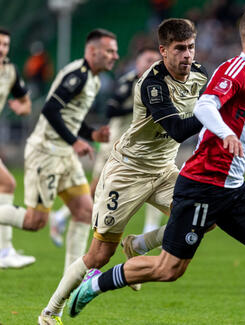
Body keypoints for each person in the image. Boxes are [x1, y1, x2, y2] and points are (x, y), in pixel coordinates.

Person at [68, 8, 245, 325]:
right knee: (169, 269)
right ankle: (95, 283)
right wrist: (224, 132)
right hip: (202, 186)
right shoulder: (233, 72)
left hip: (234, 189)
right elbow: (207, 104)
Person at [39, 18, 209, 324]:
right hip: (127, 173)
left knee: (204, 216)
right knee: (99, 257)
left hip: (163, 170)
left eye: (191, 47)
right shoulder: (151, 84)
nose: (187, 55)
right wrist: (216, 110)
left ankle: (139, 244)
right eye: (180, 48)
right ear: (163, 51)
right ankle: (50, 312)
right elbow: (178, 130)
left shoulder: (199, 75)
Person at [0, 28, 117, 274]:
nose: (114, 56)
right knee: (35, 222)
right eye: (109, 51)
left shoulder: (94, 79)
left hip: (64, 153)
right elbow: (50, 109)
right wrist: (75, 141)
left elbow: (70, 116)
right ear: (93, 51)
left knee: (85, 211)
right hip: (47, 151)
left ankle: (73, 277)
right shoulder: (78, 75)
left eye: (115, 52)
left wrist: (91, 134)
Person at [48, 46, 163, 247]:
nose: (151, 63)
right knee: (99, 187)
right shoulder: (128, 83)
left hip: (142, 145)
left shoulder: (160, 84)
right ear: (137, 63)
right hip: (116, 144)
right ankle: (62, 216)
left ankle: (149, 229)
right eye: (147, 59)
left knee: (157, 178)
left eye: (155, 60)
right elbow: (110, 110)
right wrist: (140, 108)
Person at [0, 27, 34, 269]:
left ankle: (4, 250)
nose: (2, 49)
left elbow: (25, 102)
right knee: (8, 183)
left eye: (5, 45)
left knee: (7, 184)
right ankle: (4, 250)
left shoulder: (10, 71)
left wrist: (21, 108)